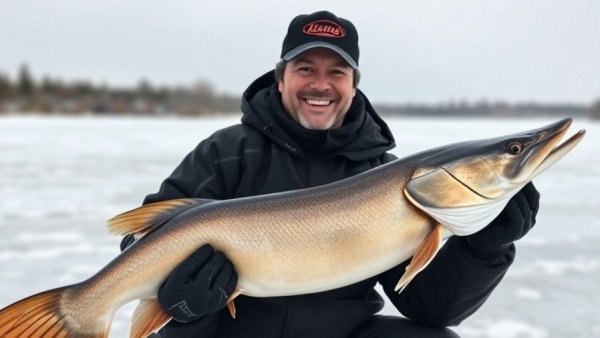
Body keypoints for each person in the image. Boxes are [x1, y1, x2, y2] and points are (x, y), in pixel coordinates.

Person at [121, 10, 540, 338]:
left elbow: (433, 309)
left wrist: (484, 249)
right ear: (281, 78)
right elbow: (141, 242)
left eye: (336, 72)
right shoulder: (228, 151)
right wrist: (185, 305)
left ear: (353, 85)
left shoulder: (383, 174)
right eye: (305, 68)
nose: (320, 84)